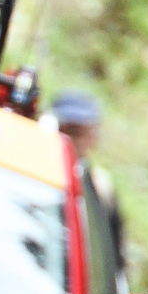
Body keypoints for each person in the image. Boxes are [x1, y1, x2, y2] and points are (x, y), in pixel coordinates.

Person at [50, 89, 125, 275]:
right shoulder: (29, 168)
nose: (70, 141)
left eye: (78, 133)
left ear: (93, 137)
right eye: (64, 131)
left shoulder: (100, 189)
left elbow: (113, 262)